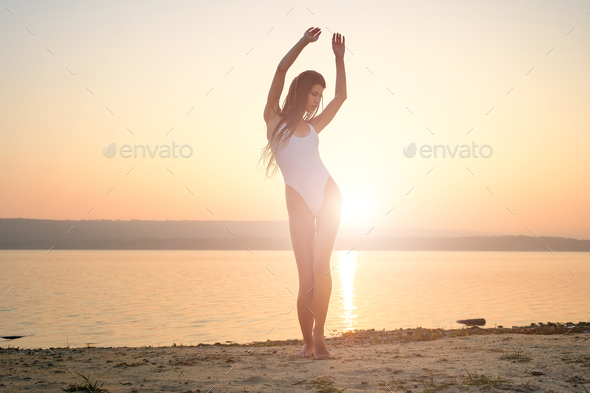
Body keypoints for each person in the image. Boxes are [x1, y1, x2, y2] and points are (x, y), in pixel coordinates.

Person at [258, 27, 347, 359]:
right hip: (297, 201)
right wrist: (304, 42)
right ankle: (307, 341)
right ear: (300, 92)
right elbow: (281, 70)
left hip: (328, 195)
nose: (317, 99)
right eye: (313, 92)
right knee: (306, 277)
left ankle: (321, 337)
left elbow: (341, 98)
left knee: (321, 264)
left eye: (319, 94)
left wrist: (339, 59)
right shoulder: (273, 120)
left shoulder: (314, 127)